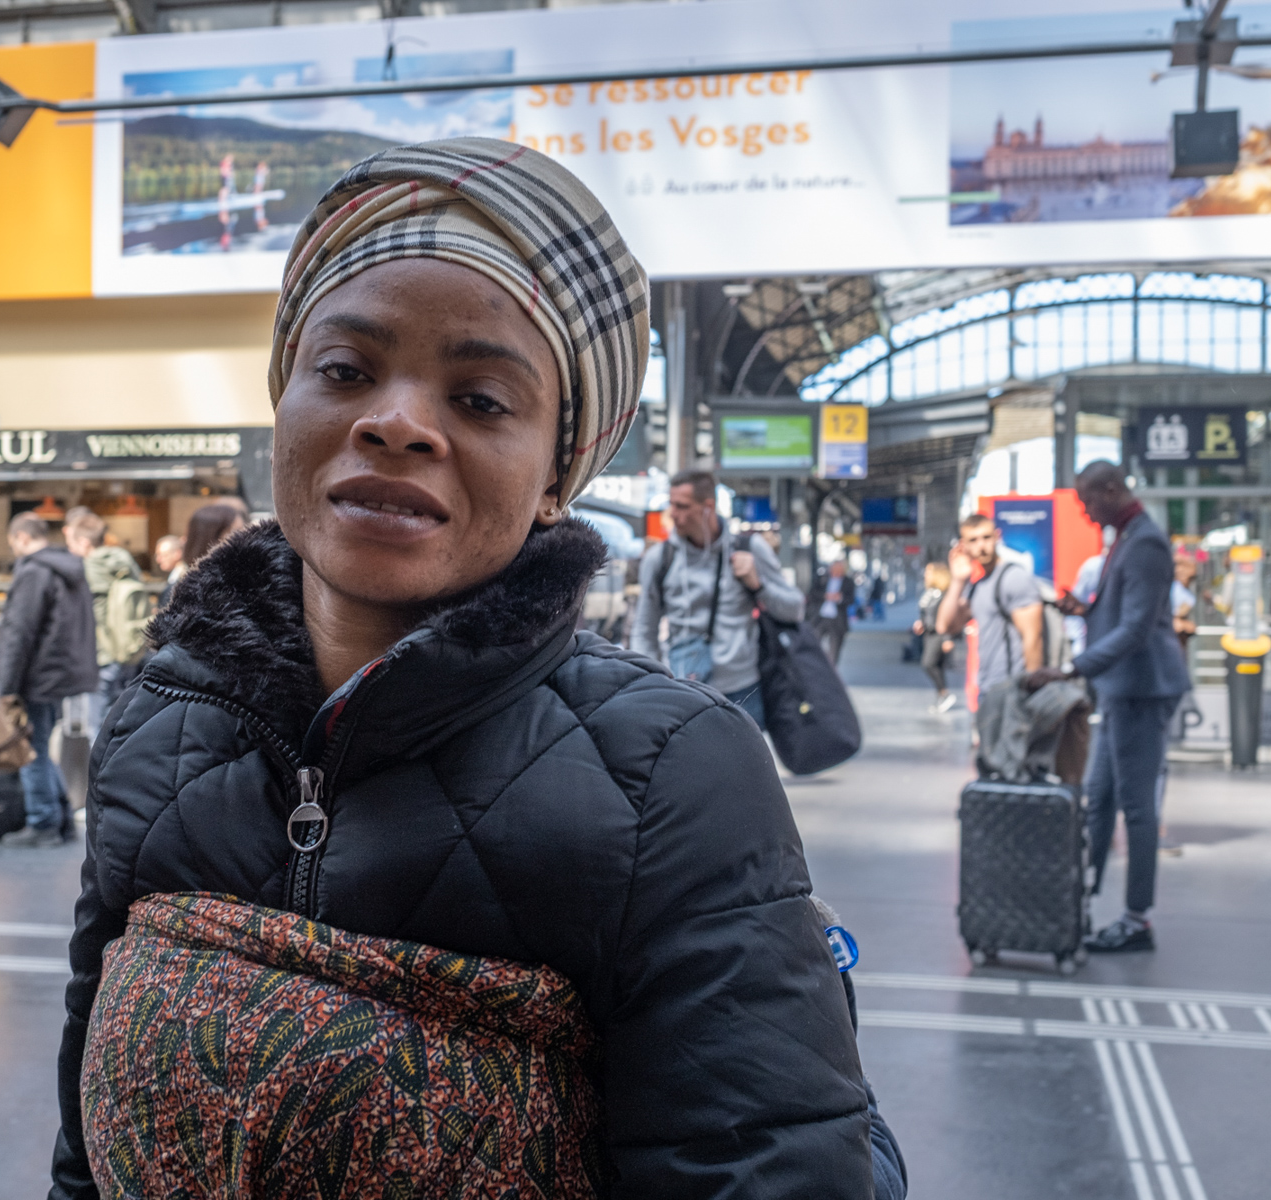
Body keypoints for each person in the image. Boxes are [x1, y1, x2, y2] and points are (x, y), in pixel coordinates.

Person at [49, 139, 873, 1200]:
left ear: (553, 478)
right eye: (344, 371)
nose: (393, 421)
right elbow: (82, 1147)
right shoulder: (155, 722)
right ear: (283, 404)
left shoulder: (674, 774)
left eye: (482, 399)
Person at [1023, 461, 1190, 954]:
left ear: (1113, 489)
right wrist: (1084, 610)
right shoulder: (1129, 536)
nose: (1085, 510)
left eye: (1088, 499)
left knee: (1136, 808)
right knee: (1098, 799)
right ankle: (1082, 897)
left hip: (1141, 689)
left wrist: (1074, 668)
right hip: (1125, 689)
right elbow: (1126, 613)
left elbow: (1138, 628)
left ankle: (1137, 919)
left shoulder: (1145, 543)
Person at [630, 469, 804, 723]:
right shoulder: (659, 560)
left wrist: (759, 584)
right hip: (683, 689)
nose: (673, 514)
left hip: (743, 690)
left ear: (708, 506)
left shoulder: (750, 549)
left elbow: (795, 609)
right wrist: (651, 682)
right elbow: (644, 627)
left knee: (745, 764)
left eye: (682, 506)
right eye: (671, 504)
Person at [0, 511, 95, 846]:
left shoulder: (34, 572)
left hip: (35, 676)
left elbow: (17, 634)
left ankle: (43, 823)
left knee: (29, 749)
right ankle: (60, 817)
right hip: (59, 675)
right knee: (38, 745)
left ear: (21, 538)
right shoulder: (68, 568)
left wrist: (4, 687)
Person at [937, 512, 1045, 700]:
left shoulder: (1014, 578)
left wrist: (1031, 692)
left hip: (1013, 689)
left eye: (986, 537)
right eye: (973, 540)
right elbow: (945, 626)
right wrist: (957, 581)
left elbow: (1033, 638)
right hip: (987, 688)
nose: (982, 546)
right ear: (963, 546)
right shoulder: (978, 584)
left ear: (997, 536)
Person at [63, 508, 145, 725]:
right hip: (129, 649)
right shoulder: (124, 561)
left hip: (101, 654)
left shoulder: (88, 568)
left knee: (96, 727)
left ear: (84, 542)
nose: (69, 549)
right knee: (121, 723)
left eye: (71, 542)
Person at [915, 560, 957, 712]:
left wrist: (947, 638)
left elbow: (946, 617)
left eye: (929, 572)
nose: (926, 575)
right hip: (928, 633)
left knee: (928, 664)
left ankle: (945, 693)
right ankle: (941, 696)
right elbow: (926, 614)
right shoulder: (929, 593)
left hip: (939, 634)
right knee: (935, 665)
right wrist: (921, 623)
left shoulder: (945, 594)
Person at [812, 559, 858, 664]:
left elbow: (851, 599)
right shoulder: (822, 579)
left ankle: (831, 673)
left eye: (839, 569)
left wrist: (840, 599)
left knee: (834, 649)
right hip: (820, 618)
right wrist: (825, 596)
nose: (836, 571)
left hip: (838, 620)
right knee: (813, 643)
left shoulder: (848, 582)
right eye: (834, 568)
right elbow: (812, 593)